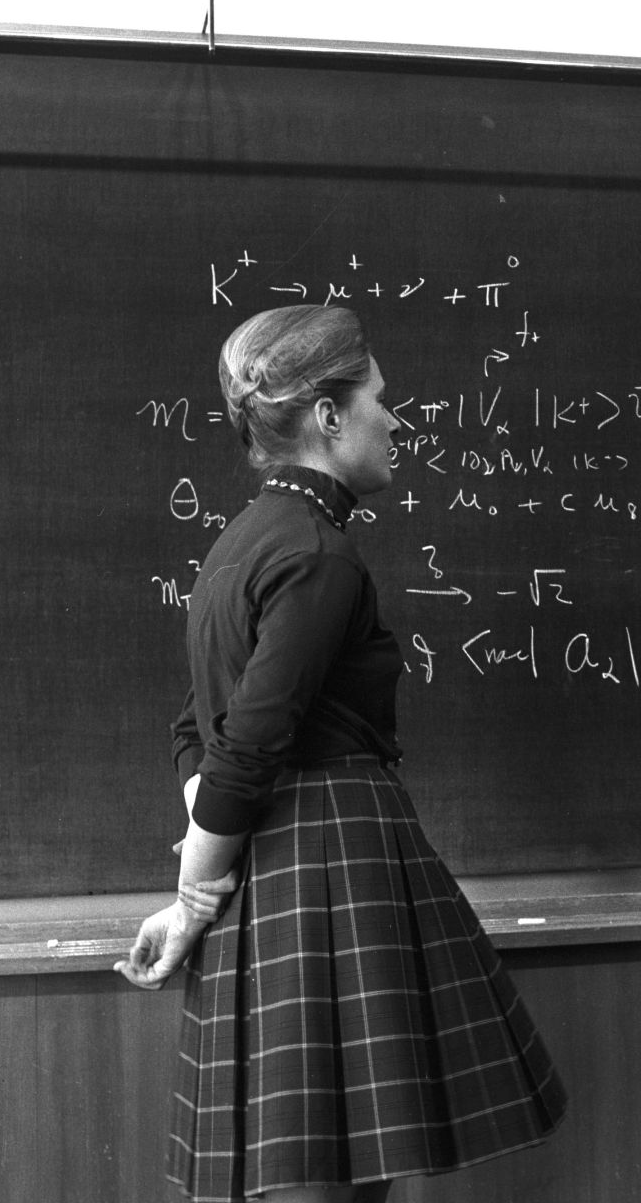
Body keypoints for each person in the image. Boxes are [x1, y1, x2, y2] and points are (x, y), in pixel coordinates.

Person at [116, 305, 567, 1203]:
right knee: (335, 1182)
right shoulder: (319, 554)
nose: (396, 421)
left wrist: (209, 871)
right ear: (328, 416)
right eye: (380, 400)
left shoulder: (236, 546)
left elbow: (194, 737)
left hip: (279, 871)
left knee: (328, 1176)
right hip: (333, 863)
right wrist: (193, 895)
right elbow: (241, 747)